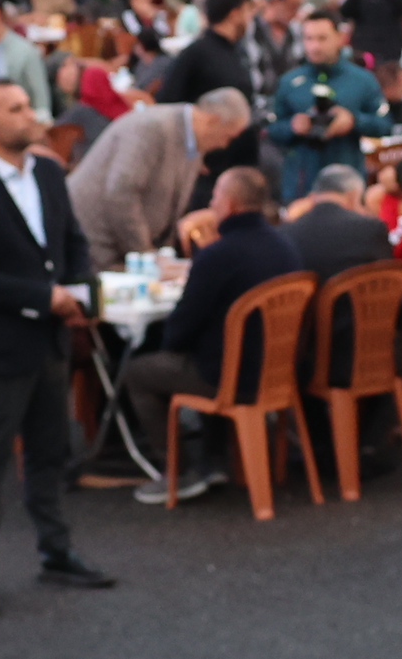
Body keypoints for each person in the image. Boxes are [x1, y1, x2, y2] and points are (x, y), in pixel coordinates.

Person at [0, 82, 118, 616]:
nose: (31, 114)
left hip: (49, 342)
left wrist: (82, 287)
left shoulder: (47, 172)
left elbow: (72, 241)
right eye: (15, 108)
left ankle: (56, 551)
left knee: (49, 453)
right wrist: (46, 297)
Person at [115, 165, 300, 503]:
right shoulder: (284, 245)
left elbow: (181, 329)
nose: (211, 203)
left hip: (231, 375)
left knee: (139, 372)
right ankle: (213, 458)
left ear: (229, 205)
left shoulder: (218, 255)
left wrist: (169, 340)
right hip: (277, 369)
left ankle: (177, 471)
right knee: (208, 350)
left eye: (215, 196)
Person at [71, 87, 251, 263]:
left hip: (130, 250)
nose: (224, 145)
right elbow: (121, 193)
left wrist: (162, 257)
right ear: (213, 120)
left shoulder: (196, 141)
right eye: (228, 137)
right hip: (96, 242)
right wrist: (146, 255)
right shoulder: (152, 128)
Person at [272, 11, 385, 203]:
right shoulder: (289, 82)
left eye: (322, 38)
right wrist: (293, 126)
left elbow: (384, 125)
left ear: (340, 38)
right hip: (302, 186)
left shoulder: (362, 80)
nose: (314, 46)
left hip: (347, 182)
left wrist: (353, 121)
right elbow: (271, 129)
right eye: (308, 39)